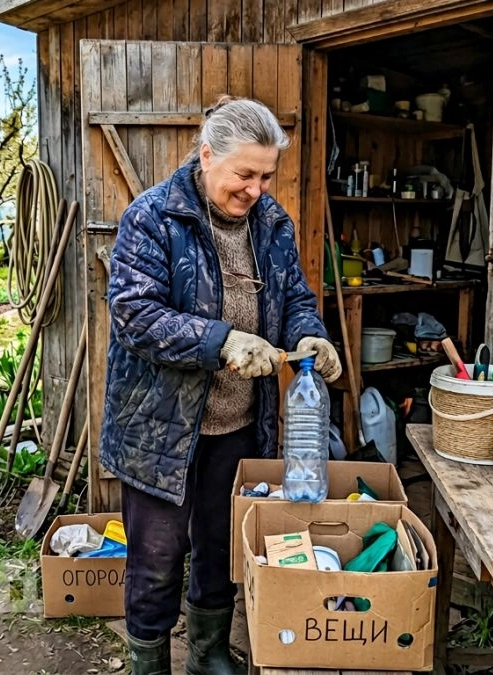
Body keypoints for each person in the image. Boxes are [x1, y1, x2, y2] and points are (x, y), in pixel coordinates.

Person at [100, 96, 342, 675]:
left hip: (237, 425)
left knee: (220, 547)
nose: (255, 189)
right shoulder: (153, 218)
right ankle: (149, 663)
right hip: (159, 429)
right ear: (207, 156)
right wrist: (223, 340)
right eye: (244, 174)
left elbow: (295, 298)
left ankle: (207, 654)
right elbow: (135, 315)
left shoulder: (272, 223)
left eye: (265, 176)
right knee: (157, 559)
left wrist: (309, 335)